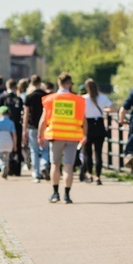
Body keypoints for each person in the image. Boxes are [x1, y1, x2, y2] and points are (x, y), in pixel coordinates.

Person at [38, 72, 86, 204]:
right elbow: (83, 120)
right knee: (68, 166)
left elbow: (43, 120)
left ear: (58, 83)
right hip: (72, 136)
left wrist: (40, 135)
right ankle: (67, 195)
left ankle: (55, 193)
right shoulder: (78, 100)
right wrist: (84, 134)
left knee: (55, 164)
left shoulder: (50, 99)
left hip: (55, 136)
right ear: (69, 84)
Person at [82, 78, 114, 185]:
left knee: (88, 153)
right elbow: (113, 108)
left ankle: (90, 174)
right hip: (99, 125)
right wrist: (104, 110)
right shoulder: (103, 97)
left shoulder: (83, 99)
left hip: (88, 125)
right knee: (98, 153)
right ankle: (98, 176)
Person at [23, 75, 49, 183]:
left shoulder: (29, 97)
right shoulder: (46, 96)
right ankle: (44, 164)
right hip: (45, 126)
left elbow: (26, 114)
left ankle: (36, 173)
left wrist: (24, 129)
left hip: (32, 126)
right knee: (46, 149)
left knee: (34, 150)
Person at [0, 78, 24, 176]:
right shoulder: (19, 99)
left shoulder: (3, 98)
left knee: (4, 148)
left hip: (4, 127)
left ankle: (6, 167)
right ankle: (17, 169)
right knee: (16, 148)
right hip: (17, 125)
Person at [0, 105, 17, 179]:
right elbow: (14, 135)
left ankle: (2, 167)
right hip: (9, 141)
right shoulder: (11, 122)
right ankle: (6, 171)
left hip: (0, 141)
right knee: (7, 158)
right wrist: (15, 145)